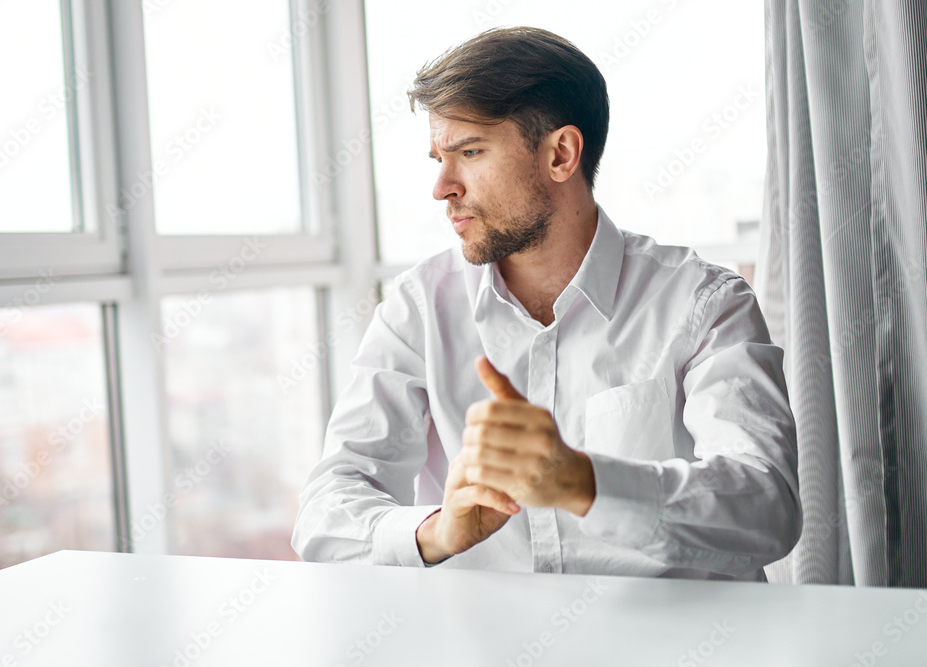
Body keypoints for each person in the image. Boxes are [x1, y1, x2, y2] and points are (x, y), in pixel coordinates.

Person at [291, 26, 802, 580]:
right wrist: (435, 531)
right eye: (439, 158)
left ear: (560, 154)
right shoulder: (418, 309)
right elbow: (323, 516)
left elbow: (767, 506)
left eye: (469, 151)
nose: (442, 187)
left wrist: (584, 483)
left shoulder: (704, 304)